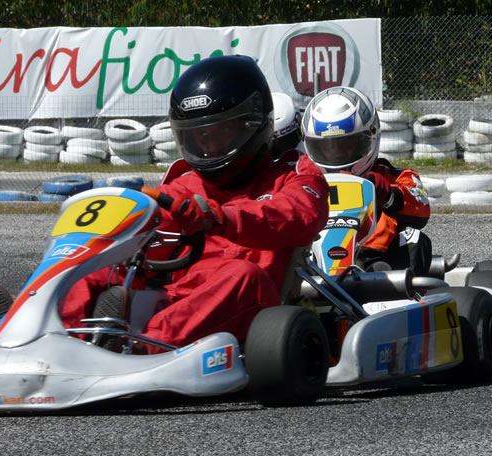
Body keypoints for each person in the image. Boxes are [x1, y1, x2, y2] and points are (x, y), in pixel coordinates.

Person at [42, 55, 328, 351]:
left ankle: (139, 348)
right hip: (175, 297)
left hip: (250, 311)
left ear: (252, 123)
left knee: (243, 275)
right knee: (94, 265)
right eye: (198, 137)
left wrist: (222, 218)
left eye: (219, 134)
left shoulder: (293, 176)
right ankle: (47, 336)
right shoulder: (183, 186)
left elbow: (299, 216)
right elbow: (152, 240)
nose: (208, 147)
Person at [300, 86, 432, 275]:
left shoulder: (395, 178)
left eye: (346, 145)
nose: (336, 154)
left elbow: (422, 208)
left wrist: (390, 196)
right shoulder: (305, 182)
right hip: (314, 263)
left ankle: (406, 296)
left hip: (376, 263)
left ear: (370, 137)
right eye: (327, 148)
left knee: (414, 238)